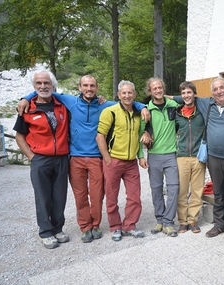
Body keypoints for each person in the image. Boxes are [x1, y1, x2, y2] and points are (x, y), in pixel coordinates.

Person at [18, 75, 149, 243]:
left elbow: (126, 103)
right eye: (85, 85)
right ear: (80, 88)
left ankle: (95, 225)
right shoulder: (70, 101)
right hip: (75, 158)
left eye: (92, 85)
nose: (89, 88)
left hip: (96, 158)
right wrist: (25, 98)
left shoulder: (105, 106)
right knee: (80, 195)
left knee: (96, 195)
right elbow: (43, 91)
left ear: (97, 88)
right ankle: (85, 227)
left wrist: (143, 106)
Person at [170, 77, 224, 247]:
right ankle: (219, 224)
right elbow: (184, 97)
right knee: (218, 192)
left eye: (222, 88)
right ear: (212, 93)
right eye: (216, 89)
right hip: (213, 156)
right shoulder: (207, 104)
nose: (219, 91)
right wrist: (149, 103)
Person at [13, 70, 70, 249]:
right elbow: (19, 136)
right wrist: (31, 156)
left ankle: (58, 228)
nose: (43, 86)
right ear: (34, 86)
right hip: (41, 159)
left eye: (46, 83)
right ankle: (45, 232)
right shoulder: (27, 108)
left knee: (60, 196)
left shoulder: (62, 104)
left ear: (53, 85)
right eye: (39, 83)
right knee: (43, 197)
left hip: (61, 158)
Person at [96, 80, 148, 242]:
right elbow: (100, 136)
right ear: (118, 95)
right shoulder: (110, 111)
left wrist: (140, 156)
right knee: (112, 196)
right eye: (123, 93)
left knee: (134, 196)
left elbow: (140, 135)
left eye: (130, 92)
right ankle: (115, 227)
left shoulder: (139, 113)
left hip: (131, 162)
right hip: (113, 160)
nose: (127, 95)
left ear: (134, 95)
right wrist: (107, 158)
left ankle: (130, 225)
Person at [141, 77, 179, 237]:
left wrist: (171, 97)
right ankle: (160, 220)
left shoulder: (173, 106)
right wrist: (144, 133)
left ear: (163, 89)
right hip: (154, 155)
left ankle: (169, 222)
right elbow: (140, 130)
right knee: (156, 189)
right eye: (154, 89)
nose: (158, 90)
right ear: (150, 92)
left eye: (160, 88)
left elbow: (188, 100)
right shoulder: (146, 110)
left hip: (171, 153)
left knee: (174, 188)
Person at [175, 81, 206, 234]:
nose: (186, 95)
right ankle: (182, 221)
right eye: (183, 93)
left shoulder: (201, 112)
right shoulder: (177, 113)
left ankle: (193, 220)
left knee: (197, 190)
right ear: (181, 96)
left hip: (198, 157)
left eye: (189, 92)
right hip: (181, 157)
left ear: (194, 94)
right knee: (181, 190)